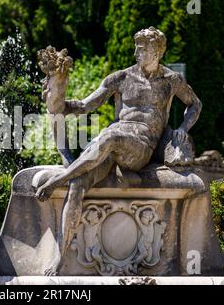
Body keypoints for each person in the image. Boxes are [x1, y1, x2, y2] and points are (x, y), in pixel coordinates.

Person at [34, 27, 202, 275]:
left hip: (142, 146)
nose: (136, 52)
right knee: (78, 183)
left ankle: (59, 177)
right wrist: (59, 102)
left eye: (142, 48)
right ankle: (60, 255)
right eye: (136, 47)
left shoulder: (171, 81)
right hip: (113, 145)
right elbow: (84, 106)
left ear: (158, 51)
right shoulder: (120, 78)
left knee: (109, 135)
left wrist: (182, 129)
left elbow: (195, 104)